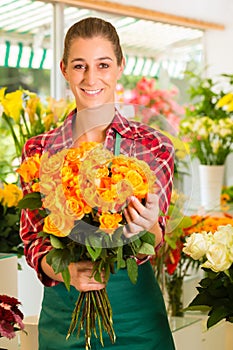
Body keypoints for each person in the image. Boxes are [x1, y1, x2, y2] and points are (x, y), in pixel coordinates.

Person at [19, 17, 175, 350]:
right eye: (79, 66)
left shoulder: (153, 146)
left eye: (103, 64)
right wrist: (66, 273)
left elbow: (158, 232)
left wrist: (146, 227)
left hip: (137, 326)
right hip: (64, 325)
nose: (91, 78)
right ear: (63, 69)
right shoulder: (39, 149)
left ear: (120, 66)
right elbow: (33, 240)